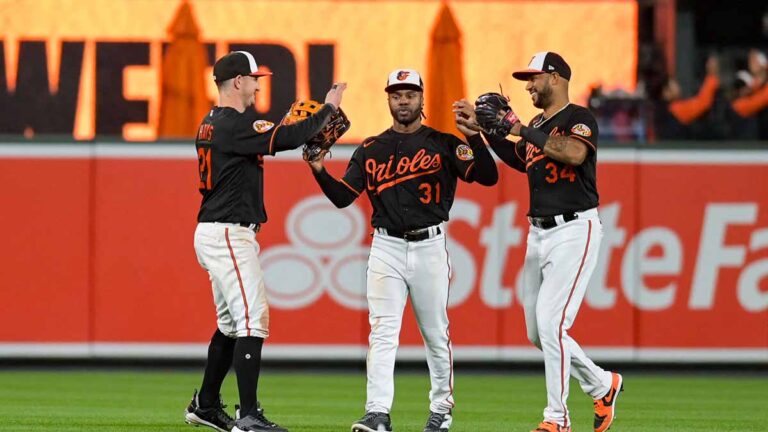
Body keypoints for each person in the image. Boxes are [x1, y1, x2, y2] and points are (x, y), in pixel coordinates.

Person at [307, 69, 498, 432]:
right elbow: (343, 198)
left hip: (430, 245)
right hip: (386, 247)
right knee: (382, 332)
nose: (404, 100)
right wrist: (318, 170)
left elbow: (488, 176)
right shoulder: (371, 148)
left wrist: (474, 136)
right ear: (389, 99)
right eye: (397, 94)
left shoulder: (443, 142)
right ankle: (377, 412)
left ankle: (441, 409)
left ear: (422, 98)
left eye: (410, 94)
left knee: (435, 332)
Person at [453, 52, 622, 432]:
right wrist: (479, 133)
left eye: (534, 78)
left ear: (556, 77)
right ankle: (602, 384)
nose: (528, 86)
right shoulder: (535, 126)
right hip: (539, 233)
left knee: (551, 324)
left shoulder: (579, 118)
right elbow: (520, 156)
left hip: (574, 229)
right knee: (538, 332)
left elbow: (575, 154)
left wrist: (519, 128)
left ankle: (557, 420)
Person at [185, 50, 346, 432]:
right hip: (227, 232)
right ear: (238, 81)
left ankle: (205, 405)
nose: (259, 86)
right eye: (256, 79)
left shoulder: (213, 122)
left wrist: (289, 126)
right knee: (252, 321)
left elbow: (271, 135)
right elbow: (287, 137)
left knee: (229, 324)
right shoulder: (231, 124)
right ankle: (249, 415)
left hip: (219, 229)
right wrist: (327, 109)